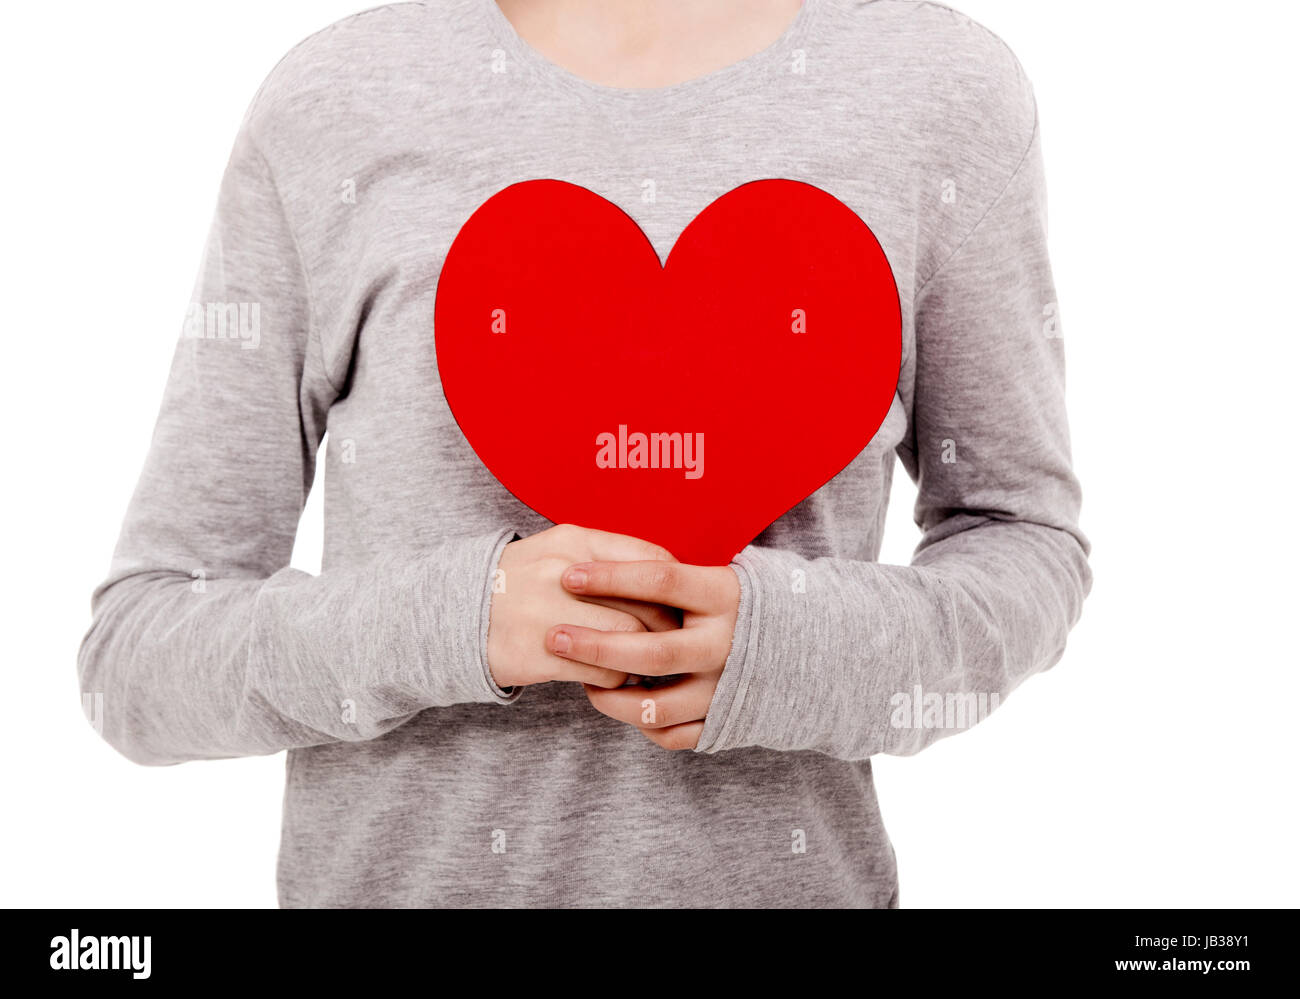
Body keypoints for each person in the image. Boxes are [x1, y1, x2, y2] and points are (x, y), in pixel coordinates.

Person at [78, 0, 1091, 907]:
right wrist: (458, 620)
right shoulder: (334, 102)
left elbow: (1022, 544)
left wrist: (788, 647)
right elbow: (140, 660)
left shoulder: (938, 89)